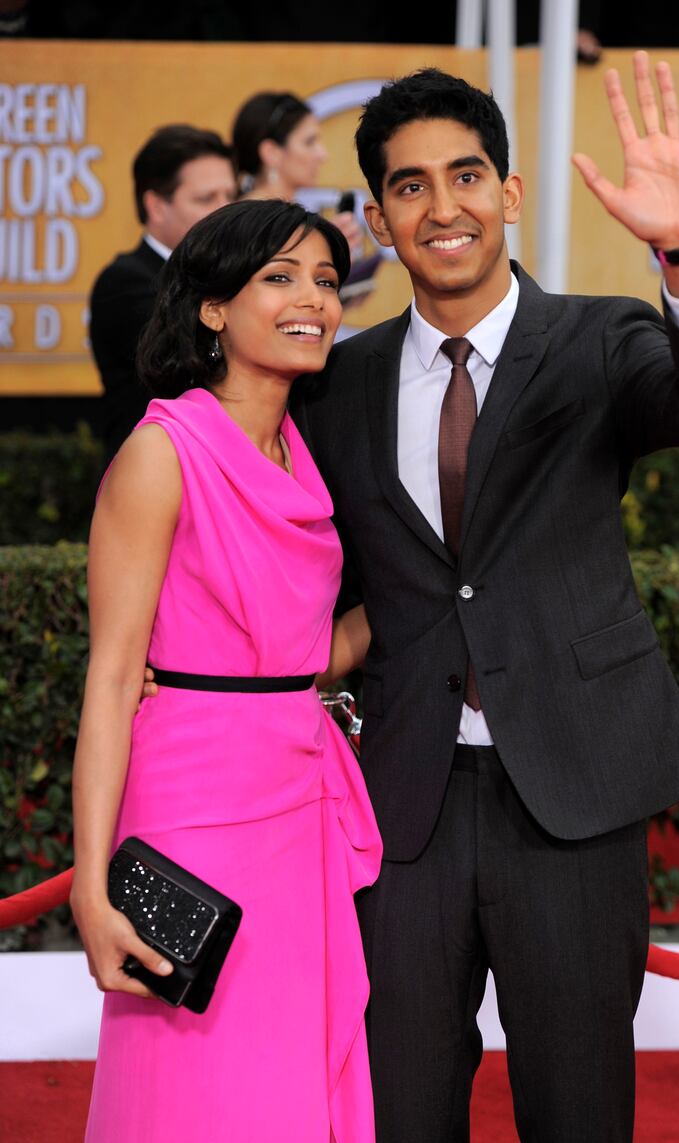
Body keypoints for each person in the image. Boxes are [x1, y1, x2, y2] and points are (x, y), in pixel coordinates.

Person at [291, 58, 679, 1141]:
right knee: (401, 1107)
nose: (440, 206)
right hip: (399, 802)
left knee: (576, 1106)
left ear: (506, 193)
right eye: (409, 187)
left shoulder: (596, 341)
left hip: (572, 789)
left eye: (464, 177)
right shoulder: (341, 383)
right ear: (375, 217)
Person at [71, 199, 382, 1141]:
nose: (313, 301)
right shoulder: (163, 452)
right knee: (196, 1089)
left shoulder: (303, 454)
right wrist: (90, 887)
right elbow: (115, 679)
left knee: (289, 1078)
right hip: (192, 812)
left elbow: (300, 658)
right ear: (213, 308)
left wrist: (449, 594)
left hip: (301, 795)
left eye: (326, 282)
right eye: (280, 278)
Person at [89, 125, 236, 463]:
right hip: (155, 481)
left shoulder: (221, 277)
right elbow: (192, 363)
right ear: (156, 206)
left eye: (230, 195)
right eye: (206, 198)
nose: (225, 210)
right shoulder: (124, 282)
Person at [232, 90, 363, 260]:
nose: (322, 155)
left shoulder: (289, 218)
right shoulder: (251, 225)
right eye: (309, 142)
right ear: (271, 152)